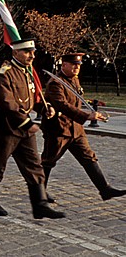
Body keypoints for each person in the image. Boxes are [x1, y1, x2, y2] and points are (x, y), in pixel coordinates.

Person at [0, 39, 64, 219]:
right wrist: (26, 122)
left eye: (32, 52)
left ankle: (40, 205)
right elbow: (7, 102)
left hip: (24, 129)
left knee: (34, 165)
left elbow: (32, 99)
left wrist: (44, 108)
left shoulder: (27, 73)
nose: (32, 56)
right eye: (27, 52)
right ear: (15, 53)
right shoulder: (4, 74)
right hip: (6, 127)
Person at [41, 53, 125, 201]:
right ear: (64, 65)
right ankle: (39, 192)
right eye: (73, 64)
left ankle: (104, 189)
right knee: (48, 160)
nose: (76, 67)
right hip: (59, 129)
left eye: (78, 65)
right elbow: (63, 105)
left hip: (76, 129)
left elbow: (75, 100)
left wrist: (90, 108)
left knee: (88, 157)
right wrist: (86, 116)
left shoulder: (74, 80)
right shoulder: (56, 83)